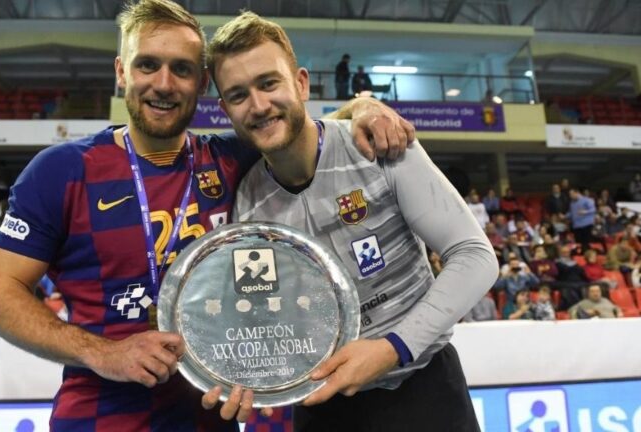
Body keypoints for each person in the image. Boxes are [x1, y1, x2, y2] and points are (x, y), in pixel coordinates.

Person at [0, 1, 414, 431]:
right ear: (121, 72)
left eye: (181, 69)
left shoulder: (232, 160)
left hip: (213, 417)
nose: (164, 84)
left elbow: (300, 127)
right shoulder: (63, 172)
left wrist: (361, 108)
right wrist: (102, 353)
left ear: (202, 83)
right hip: (100, 417)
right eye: (147, 65)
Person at [206, 12, 498, 430]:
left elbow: (475, 256)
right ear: (224, 109)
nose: (258, 105)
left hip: (423, 389)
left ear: (301, 83)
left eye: (269, 83)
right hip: (321, 406)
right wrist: (245, 372)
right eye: (238, 95)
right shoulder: (245, 202)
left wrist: (391, 348)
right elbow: (262, 310)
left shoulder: (378, 145)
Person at [566, 187, 596, 253]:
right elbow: (572, 213)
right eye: (570, 195)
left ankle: (587, 255)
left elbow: (593, 210)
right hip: (576, 226)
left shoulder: (588, 200)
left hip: (586, 225)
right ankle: (579, 257)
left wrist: (585, 212)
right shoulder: (572, 203)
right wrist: (565, 216)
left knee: (586, 243)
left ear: (577, 193)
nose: (570, 196)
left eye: (571, 194)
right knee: (578, 244)